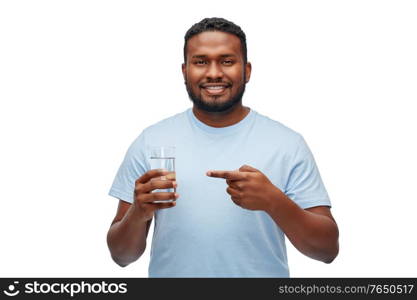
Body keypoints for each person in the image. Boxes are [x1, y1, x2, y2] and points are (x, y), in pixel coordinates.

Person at [106, 17, 339, 277]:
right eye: (201, 61)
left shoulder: (287, 143)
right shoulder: (151, 141)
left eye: (227, 61)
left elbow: (327, 250)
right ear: (184, 71)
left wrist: (274, 202)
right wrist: (138, 214)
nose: (214, 72)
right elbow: (121, 256)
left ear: (247, 71)